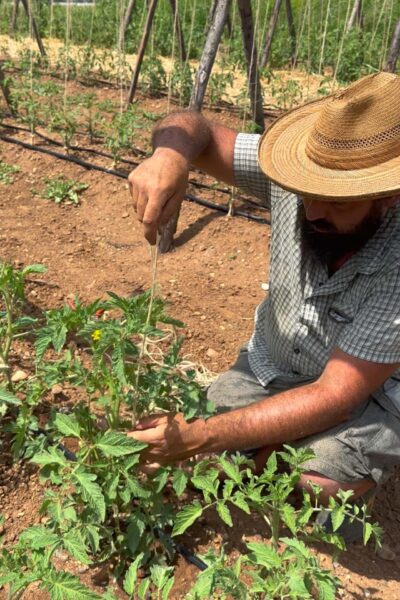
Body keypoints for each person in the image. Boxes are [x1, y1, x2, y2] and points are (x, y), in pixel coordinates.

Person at [127, 72, 400, 528]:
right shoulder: (293, 171)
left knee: (319, 483)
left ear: (389, 197)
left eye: (337, 203)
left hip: (365, 392)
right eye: (308, 193)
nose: (311, 211)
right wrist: (170, 153)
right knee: (207, 435)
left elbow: (335, 396)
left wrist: (205, 439)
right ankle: (265, 449)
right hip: (271, 363)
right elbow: (196, 128)